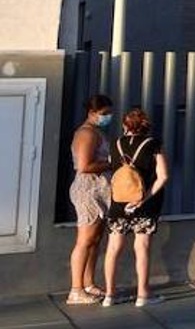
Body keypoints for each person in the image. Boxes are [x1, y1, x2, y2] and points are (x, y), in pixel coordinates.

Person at [101, 107, 170, 307]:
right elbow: (163, 176)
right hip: (144, 205)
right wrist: (144, 198)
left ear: (124, 125)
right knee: (142, 246)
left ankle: (109, 295)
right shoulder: (153, 144)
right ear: (146, 125)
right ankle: (143, 294)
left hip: (118, 203)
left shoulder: (115, 144)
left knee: (113, 247)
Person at [65, 94, 115, 306]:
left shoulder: (96, 131)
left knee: (95, 240)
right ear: (92, 113)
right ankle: (76, 289)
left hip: (99, 190)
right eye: (104, 114)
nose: (107, 117)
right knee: (85, 240)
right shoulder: (87, 133)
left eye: (109, 113)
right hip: (89, 190)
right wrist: (111, 163)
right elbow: (85, 165)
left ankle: (88, 283)